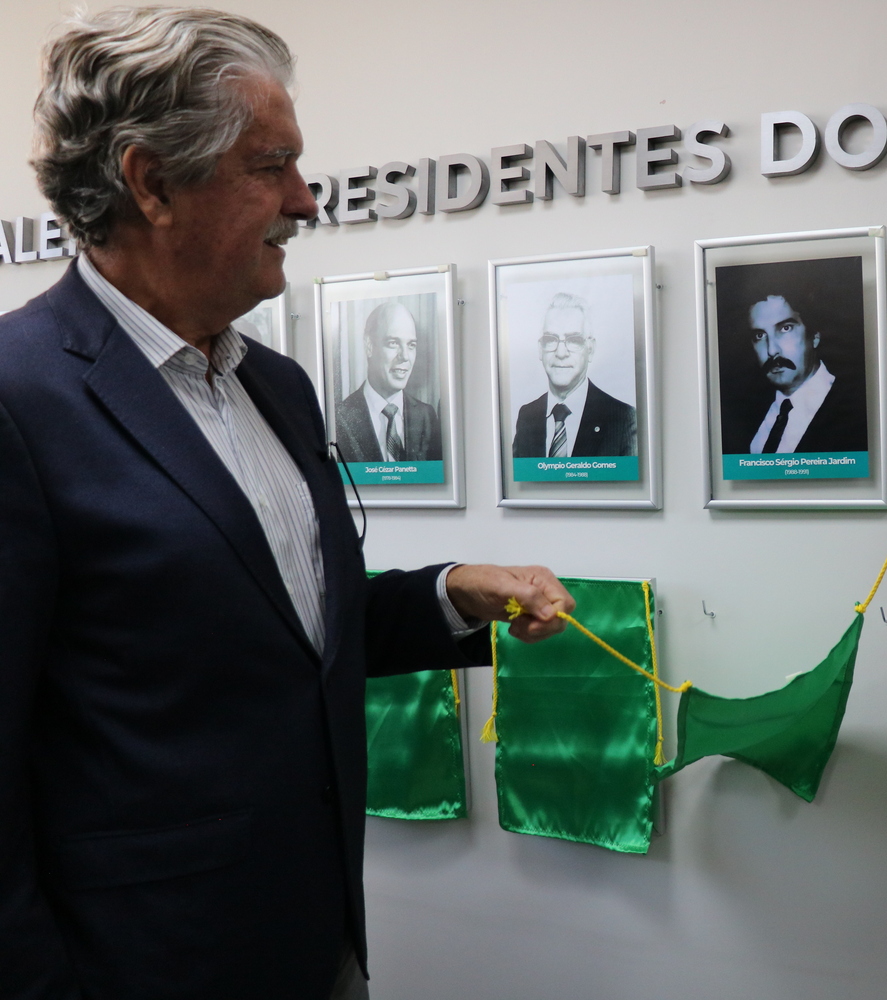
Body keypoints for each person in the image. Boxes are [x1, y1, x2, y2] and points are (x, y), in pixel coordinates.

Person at [0, 9, 574, 1000]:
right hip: (135, 967)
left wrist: (448, 593)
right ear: (152, 183)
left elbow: (272, 630)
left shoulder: (276, 383)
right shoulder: (16, 398)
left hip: (319, 939)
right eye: (274, 165)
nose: (307, 201)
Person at [727, 283, 866, 455]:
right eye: (760, 335)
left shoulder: (856, 412)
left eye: (785, 328)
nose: (772, 350)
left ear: (814, 337)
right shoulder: (742, 414)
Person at [512, 292, 637, 458]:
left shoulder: (623, 419)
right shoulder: (527, 416)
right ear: (540, 349)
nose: (561, 353)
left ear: (590, 349)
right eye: (550, 339)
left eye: (573, 340)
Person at [334, 301, 442, 462]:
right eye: (393, 343)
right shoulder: (340, 417)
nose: (405, 356)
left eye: (411, 345)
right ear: (369, 346)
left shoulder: (426, 415)